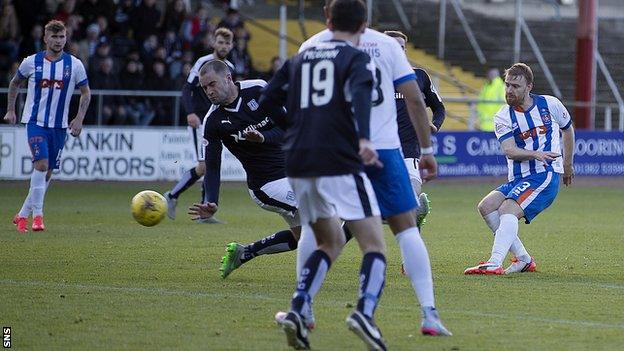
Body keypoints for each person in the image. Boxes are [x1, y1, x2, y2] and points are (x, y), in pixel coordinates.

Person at [290, 0, 451, 338]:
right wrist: (426, 150)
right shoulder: (386, 45)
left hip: (328, 151)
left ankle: (302, 307)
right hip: (383, 150)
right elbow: (414, 100)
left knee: (318, 229)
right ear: (365, 19)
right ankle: (429, 314)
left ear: (327, 16)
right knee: (405, 227)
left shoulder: (311, 45)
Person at [260, 0, 386, 348]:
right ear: (364, 26)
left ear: (328, 21)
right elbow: (362, 95)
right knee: (374, 244)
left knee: (329, 241)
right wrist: (362, 137)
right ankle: (365, 312)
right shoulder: (356, 58)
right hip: (339, 157)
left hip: (299, 161)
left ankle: (299, 309)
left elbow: (268, 102)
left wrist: (297, 128)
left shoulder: (298, 59)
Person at [186, 60, 301, 278]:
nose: (209, 92)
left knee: (302, 237)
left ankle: (244, 252)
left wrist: (263, 138)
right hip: (267, 185)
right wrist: (212, 200)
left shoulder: (258, 89)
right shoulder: (213, 121)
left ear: (228, 78)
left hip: (294, 172)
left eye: (212, 84)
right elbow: (212, 167)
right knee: (328, 214)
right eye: (204, 88)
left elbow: (289, 127)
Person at [464, 63, 575, 275]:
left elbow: (568, 129)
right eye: (507, 85)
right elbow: (510, 151)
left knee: (507, 210)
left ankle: (494, 262)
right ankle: (523, 259)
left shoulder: (550, 104)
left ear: (528, 87)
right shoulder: (503, 116)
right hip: (518, 179)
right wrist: (536, 154)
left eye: (515, 86)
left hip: (544, 176)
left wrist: (568, 165)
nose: (509, 90)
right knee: (486, 206)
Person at [4, 20, 91, 233]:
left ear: (66, 38)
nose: (58, 41)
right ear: (45, 39)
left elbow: (86, 92)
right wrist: (11, 109)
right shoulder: (31, 62)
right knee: (41, 165)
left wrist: (79, 118)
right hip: (35, 123)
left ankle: (22, 215)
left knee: (48, 172)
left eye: (62, 37)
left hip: (59, 127)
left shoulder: (75, 65)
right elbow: (15, 83)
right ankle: (38, 217)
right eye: (54, 37)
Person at [163, 28, 234, 221]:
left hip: (217, 123)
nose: (224, 46)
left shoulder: (230, 68)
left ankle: (204, 211)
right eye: (220, 42)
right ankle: (172, 195)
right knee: (204, 166)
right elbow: (187, 88)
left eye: (227, 43)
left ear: (231, 46)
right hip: (200, 120)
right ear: (213, 43)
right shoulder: (203, 62)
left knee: (209, 164)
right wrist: (190, 112)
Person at [384, 30, 446, 228]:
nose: (398, 51)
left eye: (401, 47)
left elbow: (439, 108)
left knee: (410, 193)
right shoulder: (374, 77)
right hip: (381, 149)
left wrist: (435, 125)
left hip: (410, 148)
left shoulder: (419, 76)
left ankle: (412, 209)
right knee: (362, 212)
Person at [477, 67, 506, 131]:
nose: (488, 76)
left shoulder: (501, 87)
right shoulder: (486, 86)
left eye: (489, 74)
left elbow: (504, 103)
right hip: (485, 122)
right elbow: (480, 102)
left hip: (495, 124)